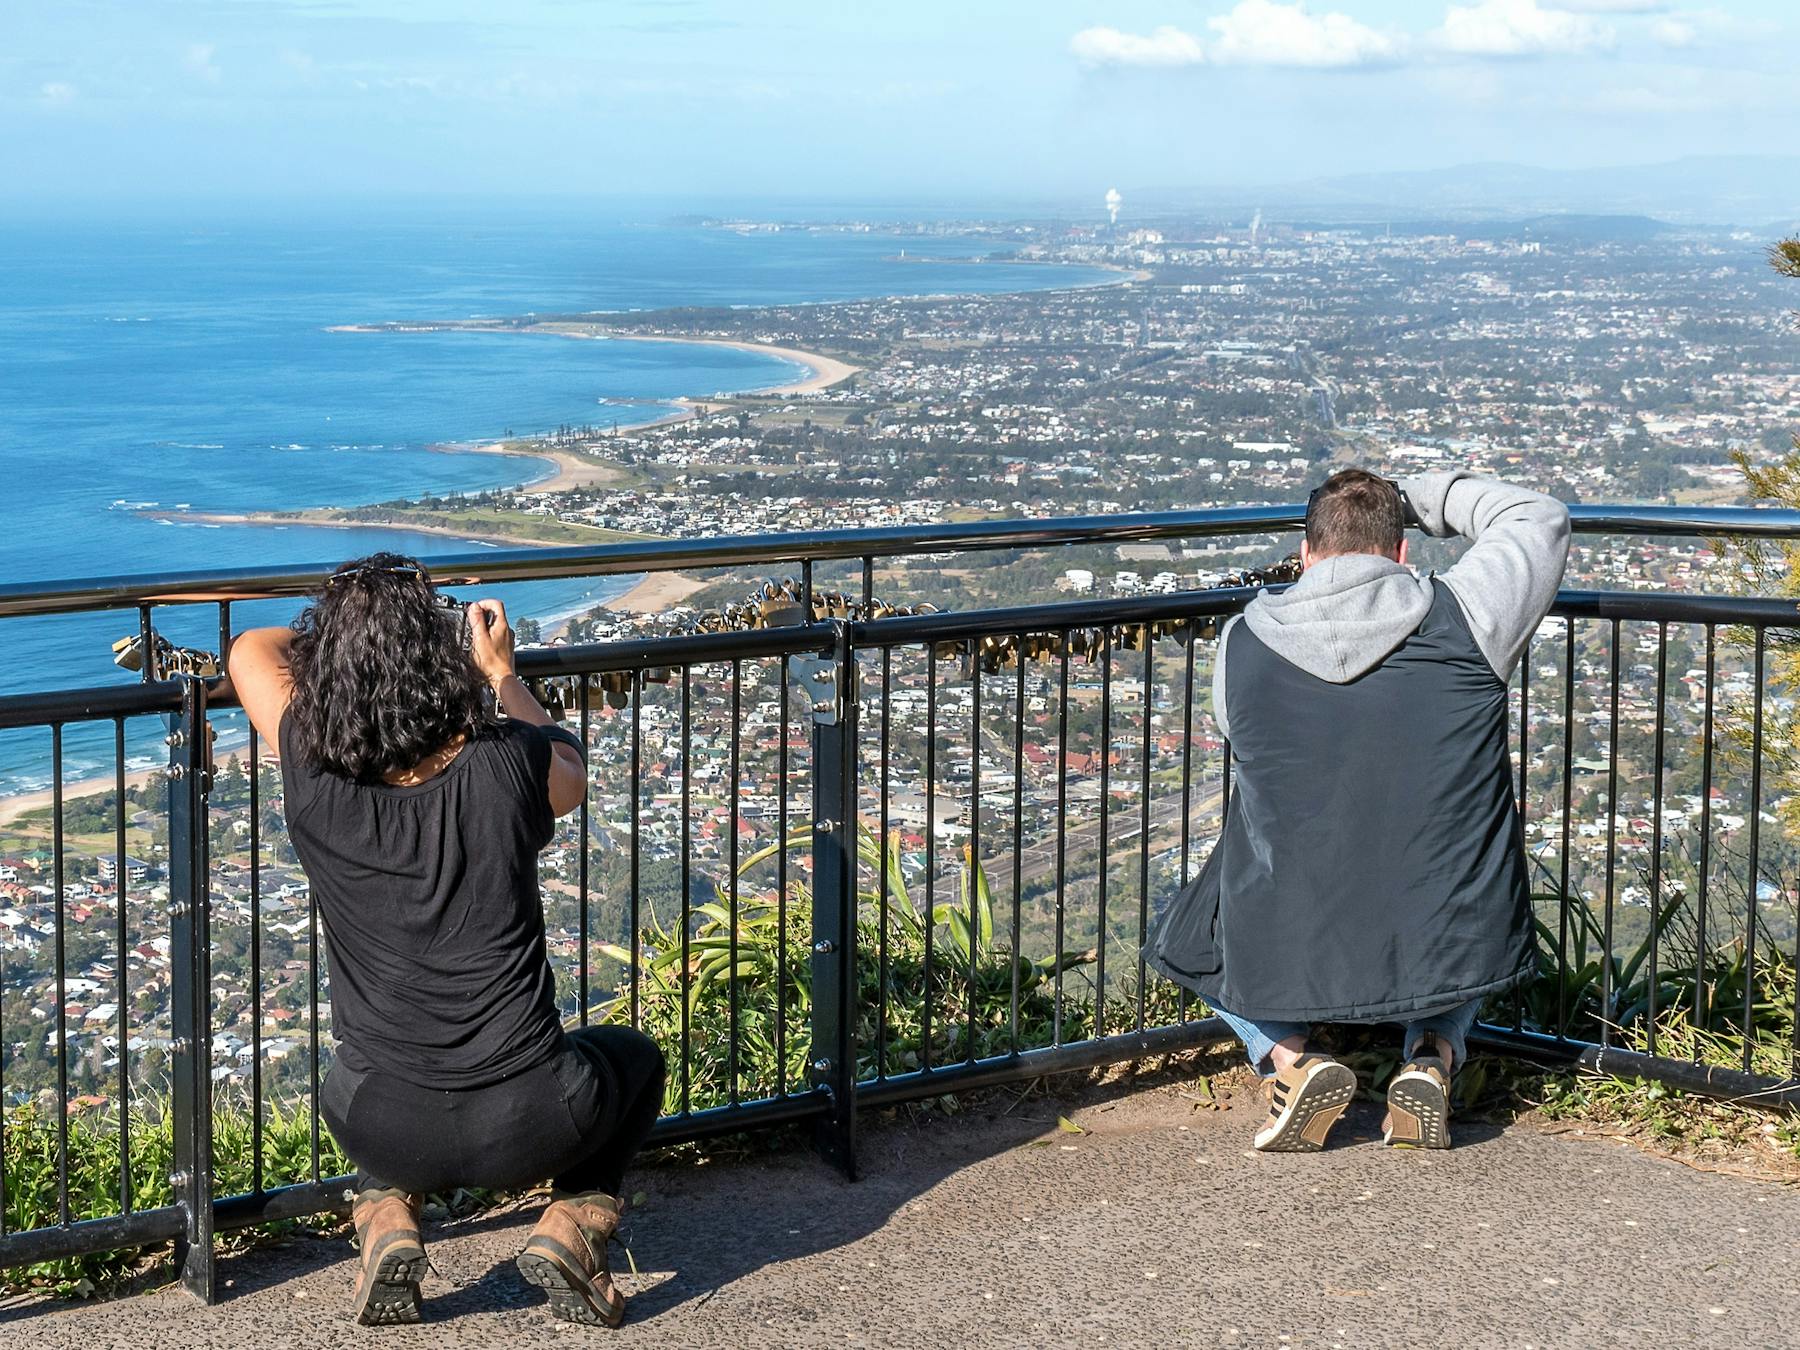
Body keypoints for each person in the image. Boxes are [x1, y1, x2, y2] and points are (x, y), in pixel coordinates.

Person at [227, 553, 666, 1327]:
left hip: (379, 1124)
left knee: (374, 1069)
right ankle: (572, 1227)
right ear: (437, 660)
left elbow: (250, 651)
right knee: (635, 1059)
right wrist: (499, 674)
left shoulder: (311, 767)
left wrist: (350, 639)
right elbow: (571, 770)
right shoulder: (507, 765)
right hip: (535, 1121)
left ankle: (387, 1215)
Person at [1145, 469, 1570, 1152]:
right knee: (1455, 873)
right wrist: (1415, 496)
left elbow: (1239, 732)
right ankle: (1432, 1055)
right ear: (1402, 553)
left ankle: (1292, 1059)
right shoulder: (1470, 617)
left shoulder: (1242, 644)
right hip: (1448, 912)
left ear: (1307, 555)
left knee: (1182, 932)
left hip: (1293, 912)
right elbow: (1538, 517)